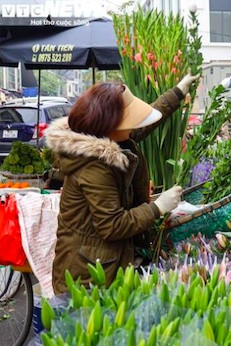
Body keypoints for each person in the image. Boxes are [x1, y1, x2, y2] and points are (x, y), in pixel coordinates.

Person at [47, 75, 199, 294]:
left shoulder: (107, 136)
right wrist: (158, 207)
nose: (134, 126)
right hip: (87, 277)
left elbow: (142, 126)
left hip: (102, 262)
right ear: (110, 124)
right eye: (129, 120)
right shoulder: (94, 166)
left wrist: (177, 92)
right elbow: (112, 225)